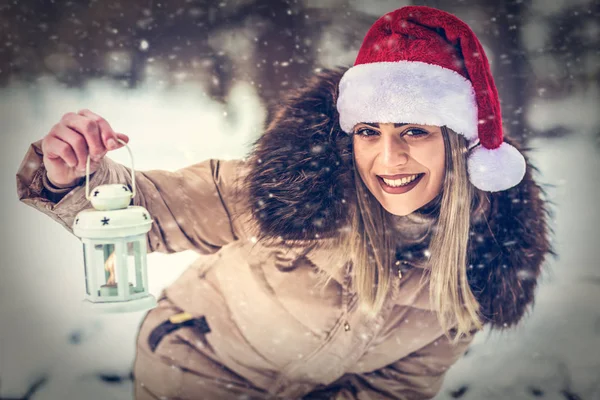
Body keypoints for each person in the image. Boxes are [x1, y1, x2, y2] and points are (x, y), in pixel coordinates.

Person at [15, 6, 552, 400]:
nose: (388, 158)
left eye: (414, 130)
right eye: (368, 131)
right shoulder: (296, 192)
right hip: (196, 370)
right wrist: (73, 175)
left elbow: (399, 385)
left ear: (459, 145)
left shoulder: (483, 259)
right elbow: (157, 209)